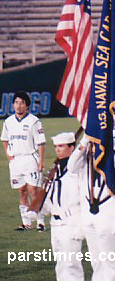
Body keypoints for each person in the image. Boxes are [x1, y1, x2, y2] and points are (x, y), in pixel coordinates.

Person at [67, 130, 115, 281]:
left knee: (110, 259)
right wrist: (83, 143)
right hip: (88, 211)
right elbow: (71, 167)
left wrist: (105, 145)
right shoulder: (86, 151)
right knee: (96, 260)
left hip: (107, 210)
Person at [40, 132, 84, 281]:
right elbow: (50, 195)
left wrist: (81, 225)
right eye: (56, 147)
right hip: (56, 222)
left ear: (72, 148)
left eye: (61, 146)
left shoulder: (78, 170)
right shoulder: (55, 170)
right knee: (60, 263)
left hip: (71, 220)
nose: (57, 150)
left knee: (71, 264)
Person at [1, 91, 46, 231]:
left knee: (33, 191)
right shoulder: (8, 122)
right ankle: (26, 223)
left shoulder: (34, 121)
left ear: (27, 106)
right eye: (16, 103)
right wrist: (7, 154)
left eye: (22, 103)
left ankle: (40, 222)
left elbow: (41, 143)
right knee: (21, 191)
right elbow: (4, 139)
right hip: (15, 162)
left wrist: (41, 161)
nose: (18, 106)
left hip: (30, 159)